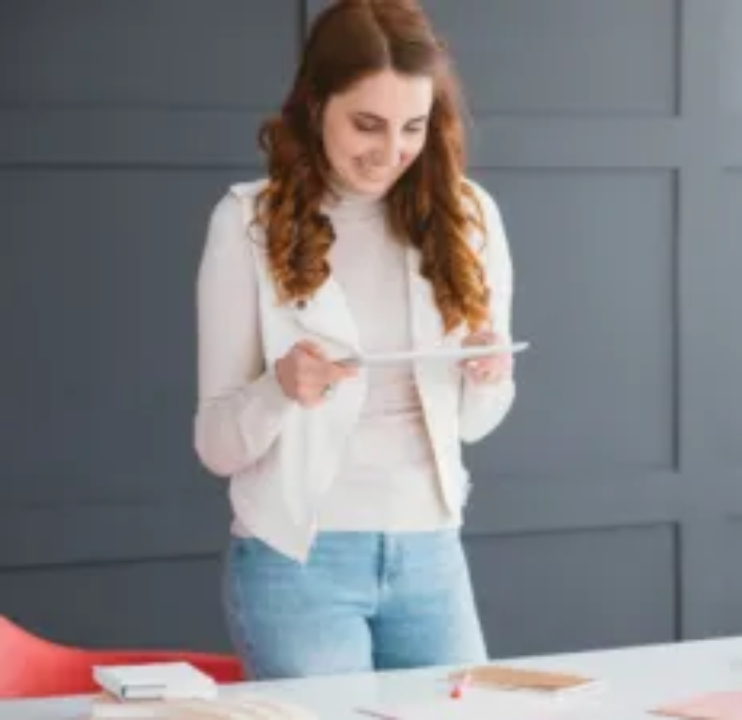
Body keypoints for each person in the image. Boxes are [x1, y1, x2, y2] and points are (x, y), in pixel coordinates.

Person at [193, 0, 515, 680]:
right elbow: (217, 445)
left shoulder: (470, 218)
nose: (390, 151)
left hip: (432, 552)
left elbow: (477, 426)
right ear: (315, 105)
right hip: (298, 565)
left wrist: (486, 376)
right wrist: (279, 389)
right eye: (366, 124)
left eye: (412, 128)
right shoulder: (246, 222)